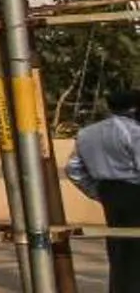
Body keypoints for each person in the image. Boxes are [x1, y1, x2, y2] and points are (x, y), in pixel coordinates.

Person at [69, 89, 140, 293]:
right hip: (135, 192)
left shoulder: (86, 133)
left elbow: (73, 168)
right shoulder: (134, 132)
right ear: (133, 108)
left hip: (108, 193)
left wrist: (97, 192)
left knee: (118, 249)